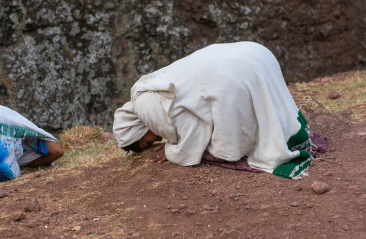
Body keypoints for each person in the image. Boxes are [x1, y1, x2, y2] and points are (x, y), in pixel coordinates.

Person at [113, 41, 325, 179]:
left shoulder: (148, 106)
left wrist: (172, 151)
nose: (158, 141)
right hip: (256, 53)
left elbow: (193, 137)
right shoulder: (148, 88)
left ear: (140, 127)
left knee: (224, 149)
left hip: (239, 70)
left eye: (149, 141)